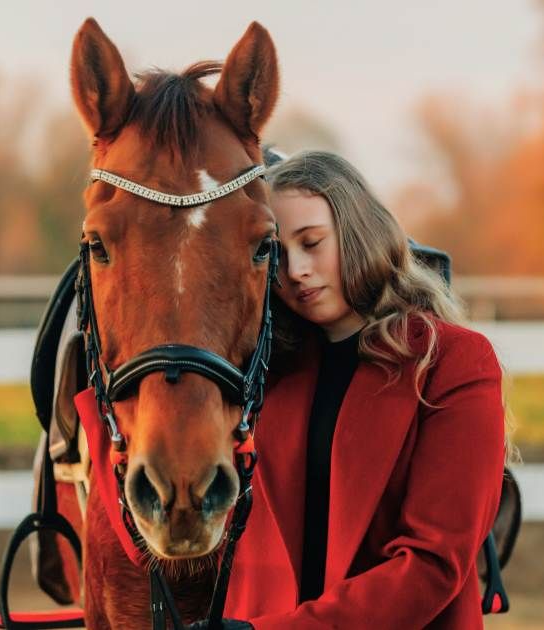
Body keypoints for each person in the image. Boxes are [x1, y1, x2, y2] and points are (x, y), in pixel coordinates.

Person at [217, 150, 509, 629]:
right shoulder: (264, 371)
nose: (295, 271)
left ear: (357, 231)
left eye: (311, 242)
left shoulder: (450, 361)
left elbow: (434, 563)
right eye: (277, 253)